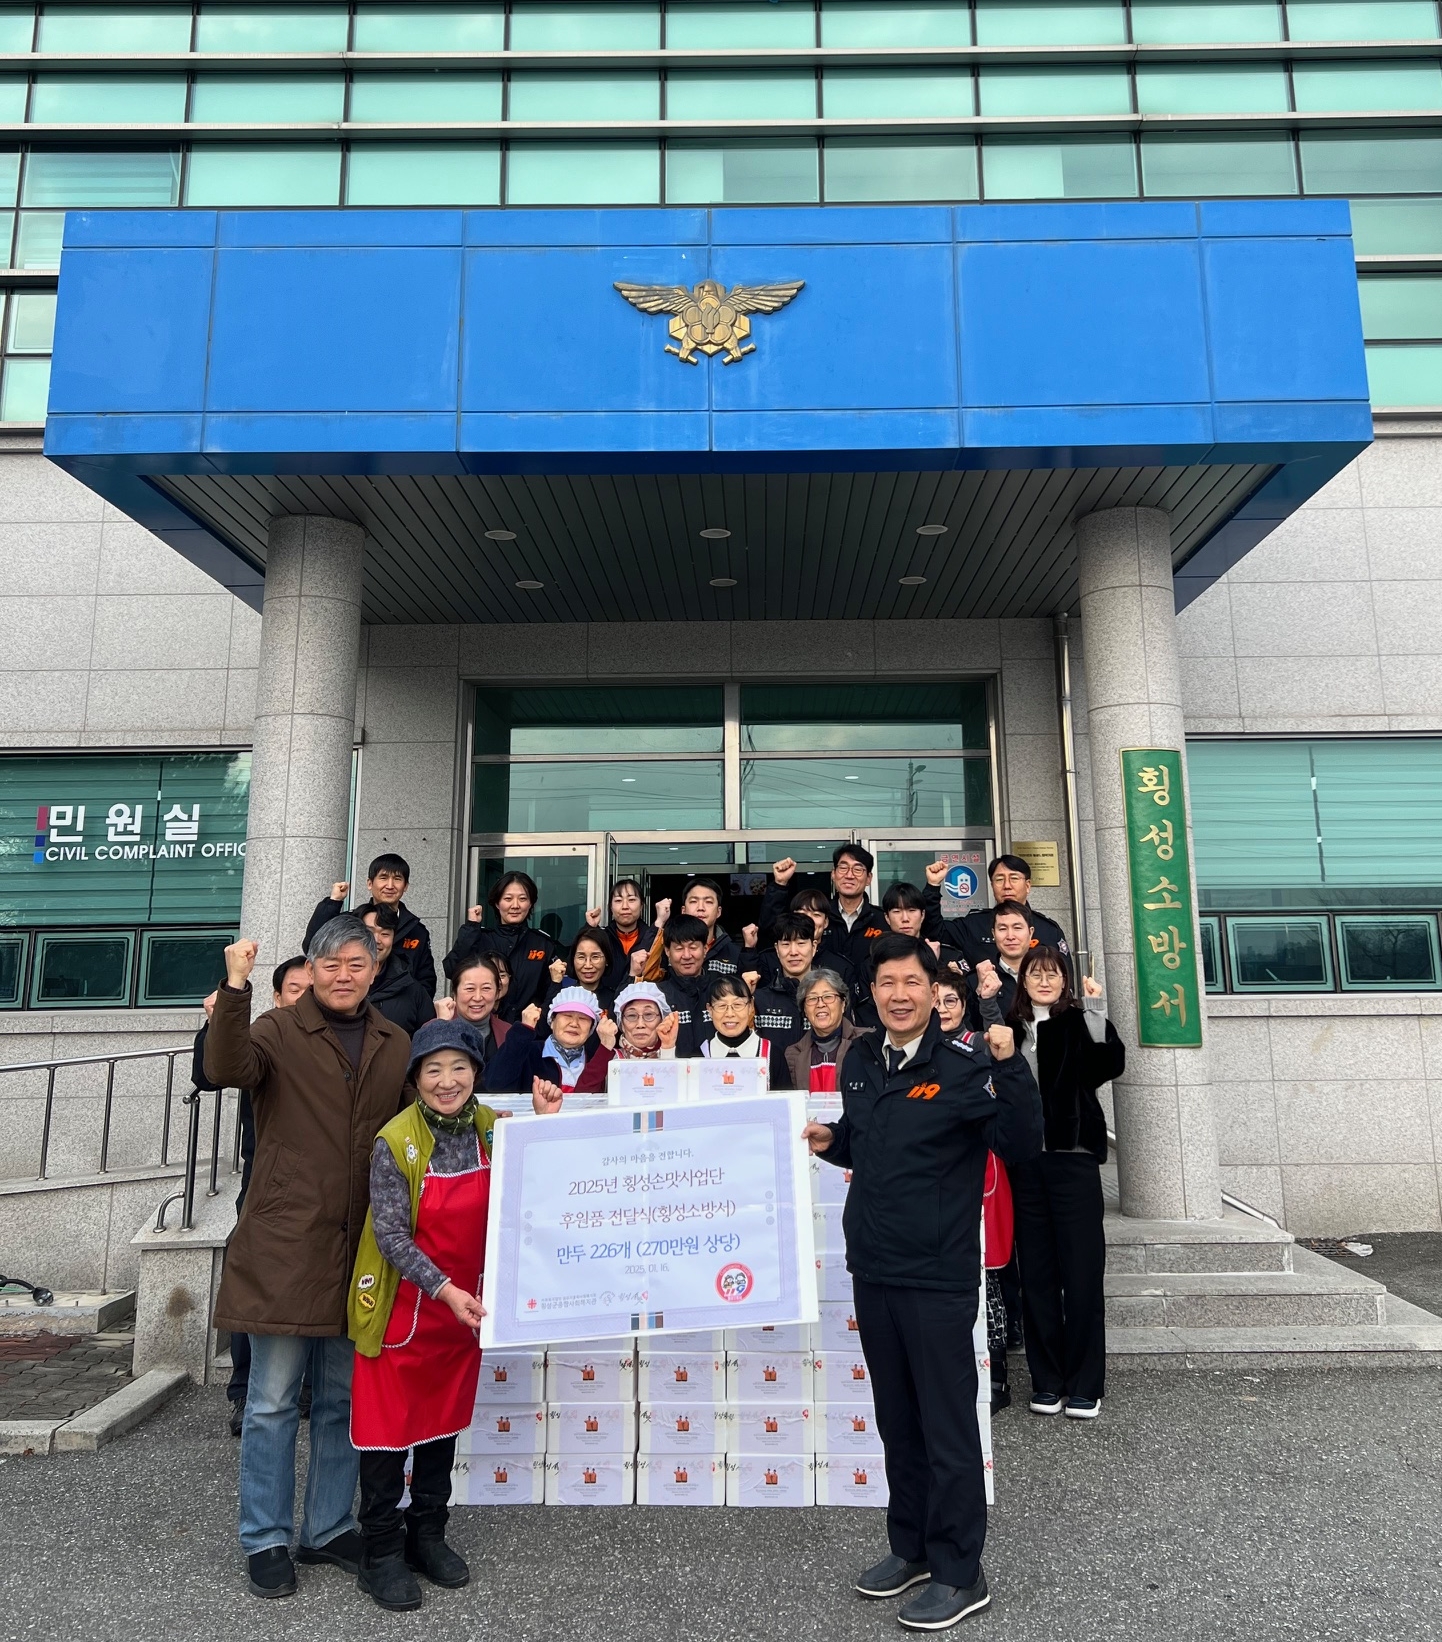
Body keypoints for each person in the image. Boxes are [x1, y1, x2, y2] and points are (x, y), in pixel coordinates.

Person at [802, 934, 1042, 1632]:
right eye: (887, 983)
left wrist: (1011, 1064)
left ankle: (962, 1571)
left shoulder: (966, 1065)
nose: (899, 995)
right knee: (898, 1421)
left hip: (936, 1276)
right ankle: (911, 1547)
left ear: (934, 992)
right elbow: (871, 1138)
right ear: (871, 993)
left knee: (946, 1426)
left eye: (912, 982)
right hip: (874, 1267)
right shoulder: (861, 1061)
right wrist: (833, 1143)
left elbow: (1019, 1144)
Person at [205, 917, 411, 1601]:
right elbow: (224, 1068)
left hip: (361, 1247)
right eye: (331, 964)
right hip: (288, 1242)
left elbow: (418, 1128)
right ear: (313, 970)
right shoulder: (275, 1030)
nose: (343, 975)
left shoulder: (394, 1041)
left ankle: (326, 1526)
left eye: (356, 963)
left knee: (342, 1400)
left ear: (374, 970)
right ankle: (265, 1537)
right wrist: (235, 987)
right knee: (270, 1402)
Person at [347, 1019, 559, 1611]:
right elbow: (391, 1235)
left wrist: (544, 1126)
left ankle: (428, 1535)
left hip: (463, 1316)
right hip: (404, 1312)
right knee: (387, 1437)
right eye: (433, 1070)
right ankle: (380, 1553)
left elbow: (534, 1196)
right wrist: (443, 1289)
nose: (447, 1081)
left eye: (459, 1068)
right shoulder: (395, 1141)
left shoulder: (495, 1128)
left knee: (441, 1426)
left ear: (475, 1073)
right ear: (415, 1079)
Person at [1002, 947, 1123, 1422]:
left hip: (1072, 1160)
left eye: (1053, 974)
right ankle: (1047, 1381)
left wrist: (1095, 1009)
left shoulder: (1078, 1021)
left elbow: (1108, 1065)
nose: (1044, 981)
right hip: (1026, 1164)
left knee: (1082, 1274)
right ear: (1023, 981)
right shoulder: (1011, 1028)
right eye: (1036, 973)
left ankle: (1085, 1384)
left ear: (1065, 981)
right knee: (1037, 1276)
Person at [192, 957, 311, 1438]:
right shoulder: (264, 1037)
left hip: (323, 1188)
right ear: (277, 997)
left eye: (312, 987)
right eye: (295, 989)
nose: (304, 997)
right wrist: (216, 1023)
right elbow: (209, 1075)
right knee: (256, 1290)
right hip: (265, 1185)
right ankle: (245, 1391)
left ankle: (306, 1389)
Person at [936, 969, 1013, 1416]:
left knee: (989, 1273)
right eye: (937, 1001)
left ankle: (997, 1370)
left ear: (964, 1005)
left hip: (982, 1168)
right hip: (937, 1173)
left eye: (951, 1001)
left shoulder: (981, 1046)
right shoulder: (917, 1049)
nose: (943, 1009)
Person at [923, 854, 1072, 981]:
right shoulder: (974, 924)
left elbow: (1065, 979)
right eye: (999, 879)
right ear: (992, 885)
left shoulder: (1048, 930)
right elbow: (935, 932)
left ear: (1027, 886)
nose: (1007, 886)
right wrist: (933, 887)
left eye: (1014, 878)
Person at [306, 855, 436, 997]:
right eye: (383, 878)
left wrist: (413, 1005)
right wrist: (333, 902)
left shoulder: (416, 930)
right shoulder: (351, 921)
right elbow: (312, 946)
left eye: (397, 879)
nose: (390, 885)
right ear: (370, 883)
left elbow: (426, 980)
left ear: (405, 886)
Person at [443, 871, 557, 1021]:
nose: (515, 905)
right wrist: (471, 927)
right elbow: (452, 970)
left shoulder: (542, 943)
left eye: (522, 899)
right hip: (484, 1026)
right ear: (497, 903)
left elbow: (551, 991)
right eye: (508, 899)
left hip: (528, 1027)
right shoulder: (479, 938)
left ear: (530, 904)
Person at [484, 985, 608, 1095]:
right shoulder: (528, 1052)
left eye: (583, 1018)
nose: (574, 1023)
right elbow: (495, 1085)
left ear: (591, 1028)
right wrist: (523, 1031)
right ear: (552, 1021)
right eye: (567, 1016)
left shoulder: (597, 1060)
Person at [748, 912, 821, 1084]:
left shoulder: (831, 999)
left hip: (820, 1090)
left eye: (801, 943)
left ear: (814, 946)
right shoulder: (759, 1000)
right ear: (777, 949)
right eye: (786, 944)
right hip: (772, 1090)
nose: (793, 952)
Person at [784, 967, 871, 1096]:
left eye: (828, 996)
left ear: (843, 1004)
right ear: (805, 1010)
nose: (820, 1004)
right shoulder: (793, 1054)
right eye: (812, 998)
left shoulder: (867, 1042)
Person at [581, 980, 682, 1087]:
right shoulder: (610, 1059)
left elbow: (673, 1092)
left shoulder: (675, 1057)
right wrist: (605, 1047)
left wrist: (667, 1049)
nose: (640, 1024)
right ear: (622, 1025)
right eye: (631, 1016)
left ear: (661, 1021)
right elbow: (583, 1094)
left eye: (649, 1015)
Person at [641, 876, 741, 982]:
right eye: (693, 901)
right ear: (683, 910)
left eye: (708, 902)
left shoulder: (734, 952)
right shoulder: (668, 946)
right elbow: (644, 971)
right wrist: (660, 922)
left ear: (718, 912)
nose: (700, 908)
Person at [361, 904, 436, 1036]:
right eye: (369, 932)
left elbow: (428, 1041)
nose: (376, 940)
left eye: (385, 934)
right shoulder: (339, 981)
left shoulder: (412, 989)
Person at [961, 902, 1035, 1032]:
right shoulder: (976, 980)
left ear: (1030, 932)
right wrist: (980, 994)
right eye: (1002, 929)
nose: (1010, 936)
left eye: (1017, 928)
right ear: (993, 934)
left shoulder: (1047, 975)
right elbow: (969, 1030)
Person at [433, 953, 510, 1071]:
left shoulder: (509, 1033)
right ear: (455, 992)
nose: (477, 997)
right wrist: (442, 1027)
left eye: (486, 988)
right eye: (470, 989)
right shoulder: (431, 1030)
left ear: (497, 993)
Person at [655, 914, 717, 1055]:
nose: (687, 955)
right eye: (679, 948)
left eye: (693, 947)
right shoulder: (658, 995)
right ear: (667, 951)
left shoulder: (720, 991)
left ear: (705, 949)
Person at [586, 878, 656, 992]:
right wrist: (589, 928)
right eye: (618, 900)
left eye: (631, 900)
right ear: (611, 907)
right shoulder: (602, 938)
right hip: (604, 1001)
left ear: (642, 906)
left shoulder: (653, 938)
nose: (625, 906)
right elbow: (573, 969)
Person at [698, 974, 772, 1075]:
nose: (730, 1014)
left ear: (750, 1006)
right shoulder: (699, 1056)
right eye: (721, 1005)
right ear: (710, 1010)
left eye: (737, 1005)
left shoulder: (772, 1055)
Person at [546, 925, 618, 1016]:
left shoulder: (616, 1000)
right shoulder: (563, 996)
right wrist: (555, 984)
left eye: (595, 957)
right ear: (573, 959)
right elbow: (546, 1021)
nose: (588, 965)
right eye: (581, 957)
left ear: (607, 959)